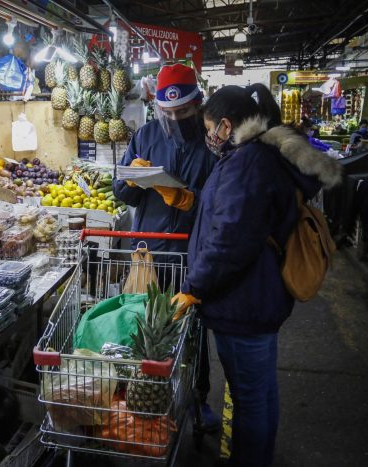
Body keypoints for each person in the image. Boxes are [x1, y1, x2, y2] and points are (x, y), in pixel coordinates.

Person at [171, 83, 342, 466]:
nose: (209, 137)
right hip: (258, 296)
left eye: (210, 128)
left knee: (249, 398)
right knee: (260, 392)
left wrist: (194, 287)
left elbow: (231, 238)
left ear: (227, 126)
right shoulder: (263, 155)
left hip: (243, 303)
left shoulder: (247, 162)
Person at [112, 63, 218, 430]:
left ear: (198, 105)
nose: (174, 118)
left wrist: (192, 200)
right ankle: (144, 395)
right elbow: (120, 190)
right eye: (167, 112)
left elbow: (223, 202)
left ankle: (198, 398)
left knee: (194, 332)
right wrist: (133, 178)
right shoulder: (145, 135)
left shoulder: (211, 143)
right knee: (145, 329)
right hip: (150, 252)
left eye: (184, 112)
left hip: (192, 254)